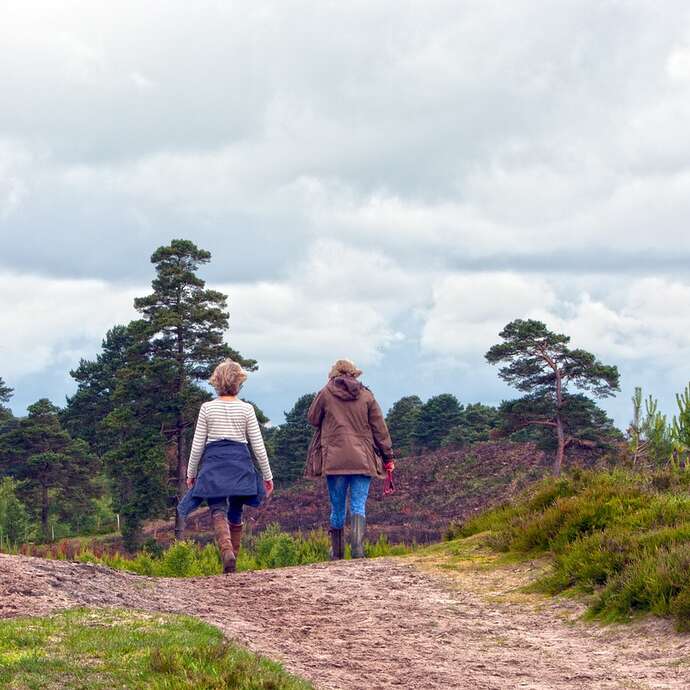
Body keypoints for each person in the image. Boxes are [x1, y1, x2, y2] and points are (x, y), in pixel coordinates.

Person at [184, 359, 274, 573]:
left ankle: (226, 550)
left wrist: (191, 473)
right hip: (239, 464)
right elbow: (258, 446)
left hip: (214, 463)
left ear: (216, 382)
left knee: (217, 509)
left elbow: (197, 445)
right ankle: (233, 556)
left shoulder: (207, 409)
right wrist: (267, 476)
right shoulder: (246, 409)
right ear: (238, 383)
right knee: (236, 509)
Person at [305, 359, 395, 559]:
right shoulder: (366, 395)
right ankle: (357, 549)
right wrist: (388, 457)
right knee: (358, 504)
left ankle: (337, 553)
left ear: (334, 374)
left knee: (337, 506)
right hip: (362, 459)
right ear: (354, 374)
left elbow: (312, 418)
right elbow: (380, 429)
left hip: (334, 459)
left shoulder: (326, 393)